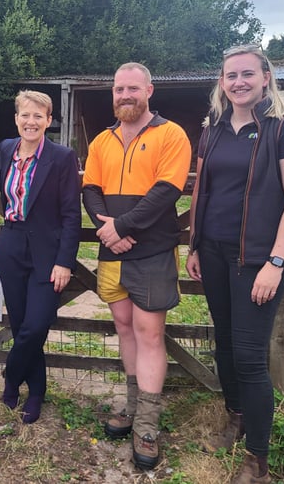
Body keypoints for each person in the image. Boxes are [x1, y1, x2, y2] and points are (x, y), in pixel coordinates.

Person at [186, 44, 284, 484]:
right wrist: (194, 245)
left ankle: (257, 459)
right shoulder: (213, 129)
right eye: (230, 76)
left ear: (265, 77)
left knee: (250, 358)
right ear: (221, 83)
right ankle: (236, 416)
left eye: (247, 74)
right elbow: (203, 190)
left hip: (258, 259)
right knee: (224, 344)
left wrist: (276, 262)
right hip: (215, 254)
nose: (238, 82)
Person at [82, 62, 191, 470]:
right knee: (124, 327)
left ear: (149, 90)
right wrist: (106, 228)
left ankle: (147, 424)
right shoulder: (102, 140)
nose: (124, 95)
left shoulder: (171, 134)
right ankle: (130, 408)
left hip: (151, 249)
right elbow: (90, 189)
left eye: (132, 88)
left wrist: (122, 227)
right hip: (113, 249)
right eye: (118, 89)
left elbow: (167, 192)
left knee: (149, 333)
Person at [0, 90, 81, 424]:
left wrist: (65, 261)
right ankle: (38, 393)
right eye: (25, 115)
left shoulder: (62, 157)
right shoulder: (6, 148)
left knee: (35, 326)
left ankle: (11, 379)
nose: (31, 122)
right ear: (16, 118)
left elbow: (72, 216)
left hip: (48, 251)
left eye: (38, 116)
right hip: (12, 246)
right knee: (20, 325)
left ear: (48, 120)